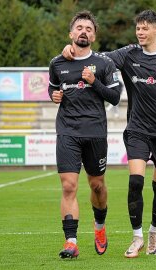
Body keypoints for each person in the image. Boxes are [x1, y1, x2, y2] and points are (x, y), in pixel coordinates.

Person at [63, 9, 156, 258]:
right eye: (138, 28)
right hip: (137, 129)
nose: (140, 32)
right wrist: (70, 49)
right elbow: (96, 58)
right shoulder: (127, 54)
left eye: (145, 28)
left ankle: (154, 231)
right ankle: (137, 237)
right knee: (135, 181)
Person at [48, 10, 121, 259]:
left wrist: (94, 82)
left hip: (95, 132)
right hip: (67, 131)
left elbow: (115, 97)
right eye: (79, 27)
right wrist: (53, 95)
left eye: (89, 29)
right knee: (69, 186)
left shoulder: (103, 63)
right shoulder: (58, 62)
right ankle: (71, 242)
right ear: (71, 33)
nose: (84, 31)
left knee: (97, 185)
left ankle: (99, 228)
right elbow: (53, 87)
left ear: (94, 36)